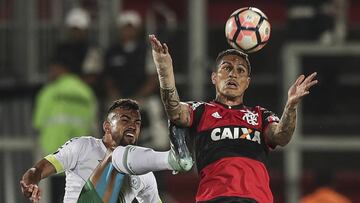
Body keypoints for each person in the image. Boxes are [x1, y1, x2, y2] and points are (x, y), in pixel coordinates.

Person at [149, 34, 318, 203]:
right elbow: (175, 112)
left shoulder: (260, 115)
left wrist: (291, 106)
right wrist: (165, 71)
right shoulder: (201, 110)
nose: (233, 75)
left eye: (240, 71)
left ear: (247, 82)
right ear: (214, 77)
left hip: (256, 199)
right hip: (215, 198)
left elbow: (282, 136)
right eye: (227, 68)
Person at [21, 99, 191, 203]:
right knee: (115, 156)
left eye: (137, 123)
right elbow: (39, 169)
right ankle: (172, 159)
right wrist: (31, 181)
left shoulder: (144, 172)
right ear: (107, 127)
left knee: (121, 157)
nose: (133, 125)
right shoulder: (82, 146)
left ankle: (172, 159)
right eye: (125, 120)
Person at [104, 10, 168, 150]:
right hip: (118, 99)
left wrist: (136, 98)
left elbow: (153, 79)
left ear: (137, 29)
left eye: (131, 27)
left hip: (143, 98)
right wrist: (119, 99)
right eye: (125, 27)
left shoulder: (146, 50)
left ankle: (160, 149)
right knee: (107, 111)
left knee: (155, 109)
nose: (128, 31)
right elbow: (108, 79)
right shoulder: (112, 52)